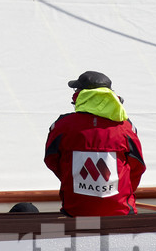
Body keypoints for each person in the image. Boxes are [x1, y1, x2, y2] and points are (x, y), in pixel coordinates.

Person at [44, 70, 145, 216]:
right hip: (120, 211)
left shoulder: (62, 126)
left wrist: (72, 179)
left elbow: (51, 161)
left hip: (76, 211)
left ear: (80, 95)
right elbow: (138, 167)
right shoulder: (125, 128)